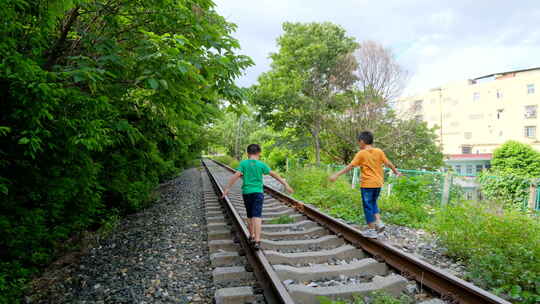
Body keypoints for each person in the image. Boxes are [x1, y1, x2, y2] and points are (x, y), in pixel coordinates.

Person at [328, 131, 402, 238]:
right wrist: (396, 172)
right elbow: (388, 163)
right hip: (378, 183)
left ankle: (371, 230)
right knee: (373, 203)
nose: (359, 144)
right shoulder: (379, 151)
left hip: (367, 184)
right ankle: (379, 222)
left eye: (359, 142)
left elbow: (350, 166)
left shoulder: (361, 153)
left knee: (367, 206)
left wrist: (336, 175)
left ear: (362, 141)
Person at [222, 144, 294, 250]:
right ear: (259, 153)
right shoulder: (261, 164)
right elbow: (273, 174)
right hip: (258, 192)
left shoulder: (243, 163)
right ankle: (257, 241)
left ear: (248, 153)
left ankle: (252, 236)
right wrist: (285, 184)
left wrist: (227, 188)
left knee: (250, 215)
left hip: (246, 192)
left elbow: (236, 175)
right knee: (257, 215)